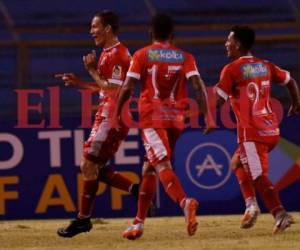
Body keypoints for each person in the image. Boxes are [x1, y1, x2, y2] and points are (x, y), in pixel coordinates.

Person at [115, 13, 212, 240]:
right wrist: (207, 116)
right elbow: (197, 85)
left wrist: (118, 112)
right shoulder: (184, 56)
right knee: (149, 167)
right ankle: (138, 223)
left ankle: (184, 202)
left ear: (150, 33)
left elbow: (128, 86)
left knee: (161, 164)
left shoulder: (141, 54)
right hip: (176, 120)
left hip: (152, 118)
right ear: (172, 35)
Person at [55, 10, 139, 238]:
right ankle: (137, 190)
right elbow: (105, 88)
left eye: (95, 27)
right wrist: (80, 82)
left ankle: (83, 219)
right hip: (108, 114)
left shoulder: (118, 55)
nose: (91, 31)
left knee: (88, 165)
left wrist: (91, 71)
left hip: (112, 117)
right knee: (93, 167)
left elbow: (114, 90)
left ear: (108, 28)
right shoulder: (107, 53)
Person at [215, 25, 300, 234]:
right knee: (237, 162)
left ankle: (280, 214)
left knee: (257, 175)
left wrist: (194, 110)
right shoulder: (265, 65)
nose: (226, 44)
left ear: (239, 44)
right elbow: (290, 81)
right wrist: (296, 103)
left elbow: (217, 100)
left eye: (229, 40)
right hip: (271, 130)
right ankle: (251, 205)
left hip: (251, 133)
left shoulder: (232, 69)